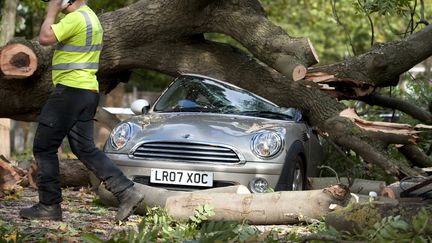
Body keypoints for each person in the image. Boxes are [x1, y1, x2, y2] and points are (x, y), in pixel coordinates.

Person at [19, 0, 144, 221]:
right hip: (86, 91)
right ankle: (127, 191)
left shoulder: (76, 18)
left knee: (44, 146)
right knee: (85, 148)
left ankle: (49, 205)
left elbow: (45, 38)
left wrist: (50, 13)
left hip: (70, 91)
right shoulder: (92, 18)